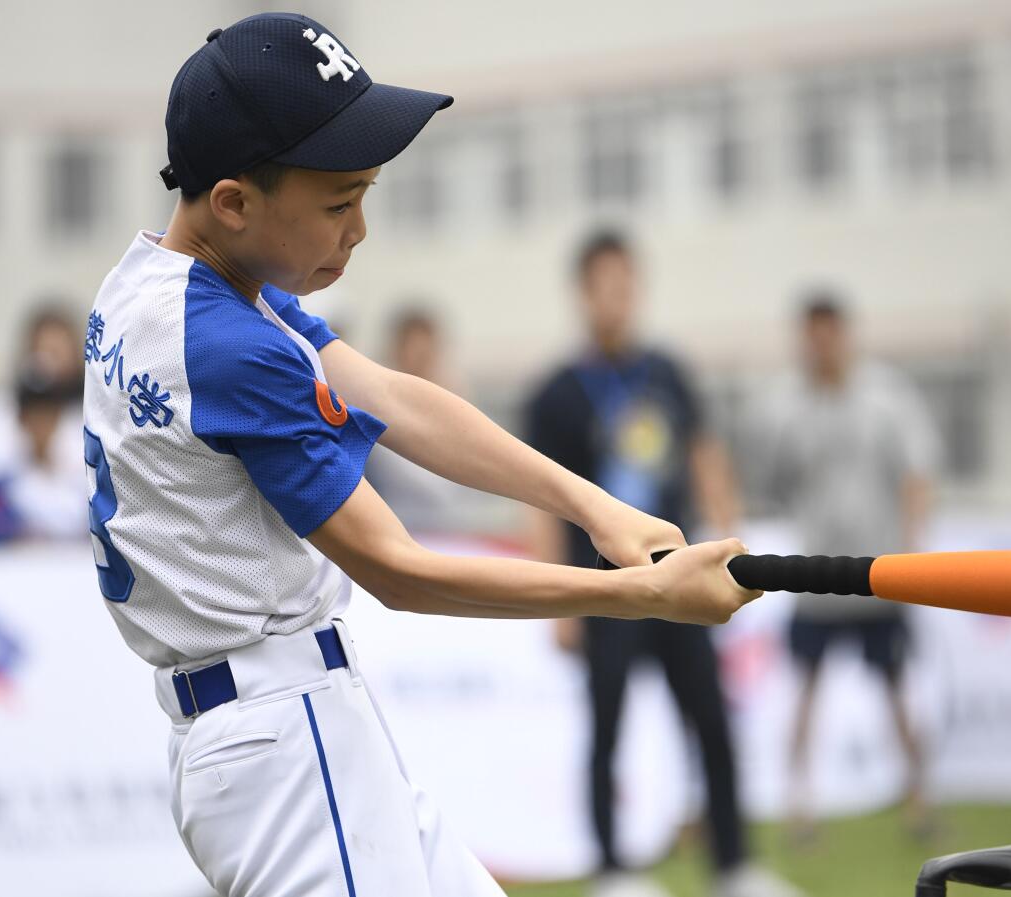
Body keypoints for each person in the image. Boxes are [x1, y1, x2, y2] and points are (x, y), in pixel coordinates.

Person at [82, 15, 759, 897]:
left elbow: (394, 397)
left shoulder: (167, 282)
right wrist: (638, 595)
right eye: (338, 201)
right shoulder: (225, 341)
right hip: (282, 742)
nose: (359, 228)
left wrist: (599, 509)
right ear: (234, 201)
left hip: (286, 730)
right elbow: (399, 569)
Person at [526, 231, 799, 897]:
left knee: (710, 715)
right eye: (603, 285)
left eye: (625, 283)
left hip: (679, 581)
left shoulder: (667, 373)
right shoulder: (557, 393)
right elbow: (535, 500)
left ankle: (733, 864)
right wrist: (557, 606)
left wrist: (734, 547)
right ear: (583, 294)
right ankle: (613, 869)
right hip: (603, 587)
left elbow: (705, 455)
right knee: (607, 723)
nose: (616, 298)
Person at [755, 292, 939, 842]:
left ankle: (918, 803)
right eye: (811, 333)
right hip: (815, 579)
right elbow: (773, 483)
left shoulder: (885, 397)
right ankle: (798, 808)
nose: (821, 344)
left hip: (880, 574)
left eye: (829, 332)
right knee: (805, 690)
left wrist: (911, 547)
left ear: (845, 334)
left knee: (897, 689)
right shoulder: (784, 408)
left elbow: (916, 472)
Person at [0, 305, 85, 542]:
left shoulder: (92, 414)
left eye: (58, 352)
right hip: (13, 550)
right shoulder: (2, 409)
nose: (50, 365)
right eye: (44, 351)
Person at [364, 307, 475, 534]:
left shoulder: (453, 398)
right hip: (400, 527)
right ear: (398, 350)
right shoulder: (376, 406)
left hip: (452, 528)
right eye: (417, 351)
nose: (424, 359)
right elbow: (423, 483)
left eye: (429, 352)